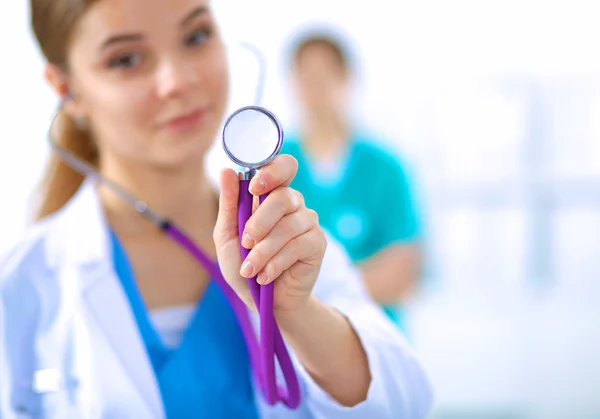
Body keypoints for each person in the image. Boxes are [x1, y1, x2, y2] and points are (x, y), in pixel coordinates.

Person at [0, 0, 433, 418]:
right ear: (66, 90)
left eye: (196, 36)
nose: (178, 80)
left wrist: (295, 313)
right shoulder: (26, 281)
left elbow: (402, 398)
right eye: (126, 59)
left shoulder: (285, 238)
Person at [282, 29, 423, 332]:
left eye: (324, 76)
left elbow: (401, 275)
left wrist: (308, 289)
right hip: (300, 352)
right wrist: (360, 281)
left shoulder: (386, 168)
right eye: (306, 78)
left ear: (346, 78)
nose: (315, 89)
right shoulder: (276, 167)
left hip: (378, 340)